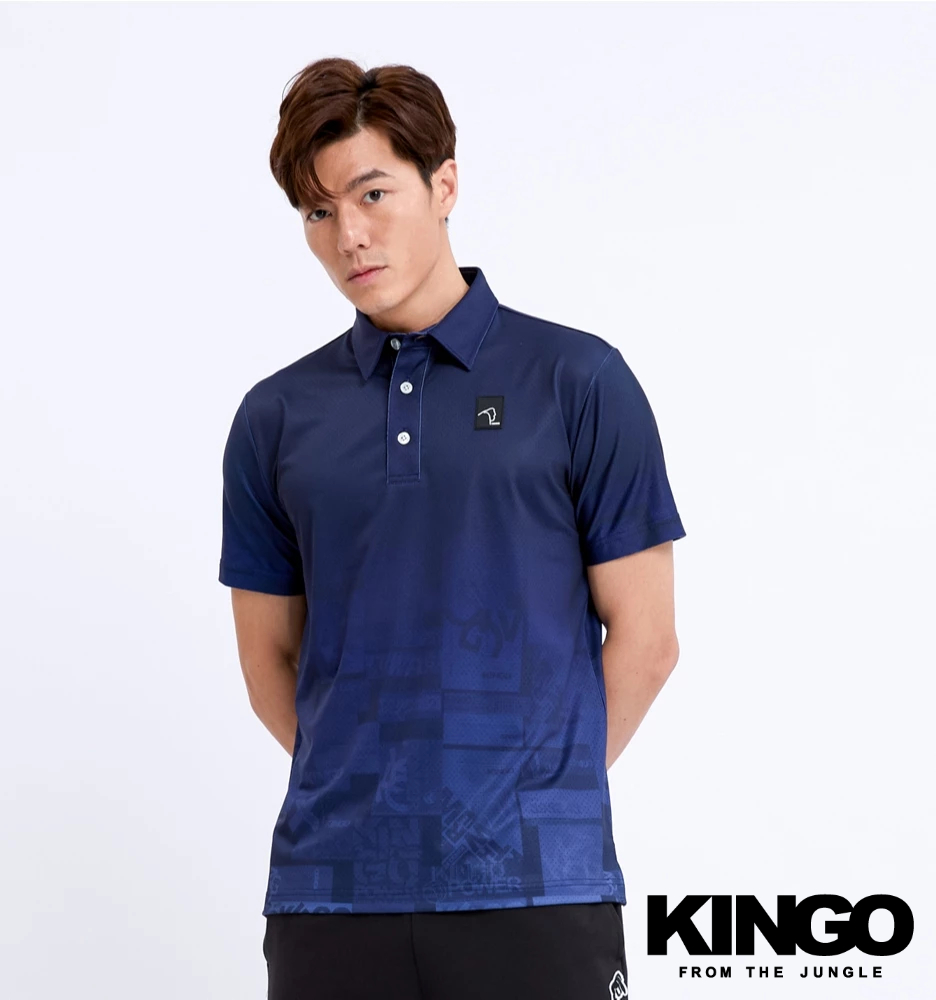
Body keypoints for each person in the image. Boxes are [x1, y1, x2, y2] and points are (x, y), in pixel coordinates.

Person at [219, 55, 684, 1000]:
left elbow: (647, 638)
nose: (349, 235)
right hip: (330, 896)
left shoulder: (578, 380)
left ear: (445, 186)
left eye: (372, 194)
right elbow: (270, 661)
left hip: (539, 892)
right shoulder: (276, 416)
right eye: (316, 213)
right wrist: (379, 793)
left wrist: (525, 793)